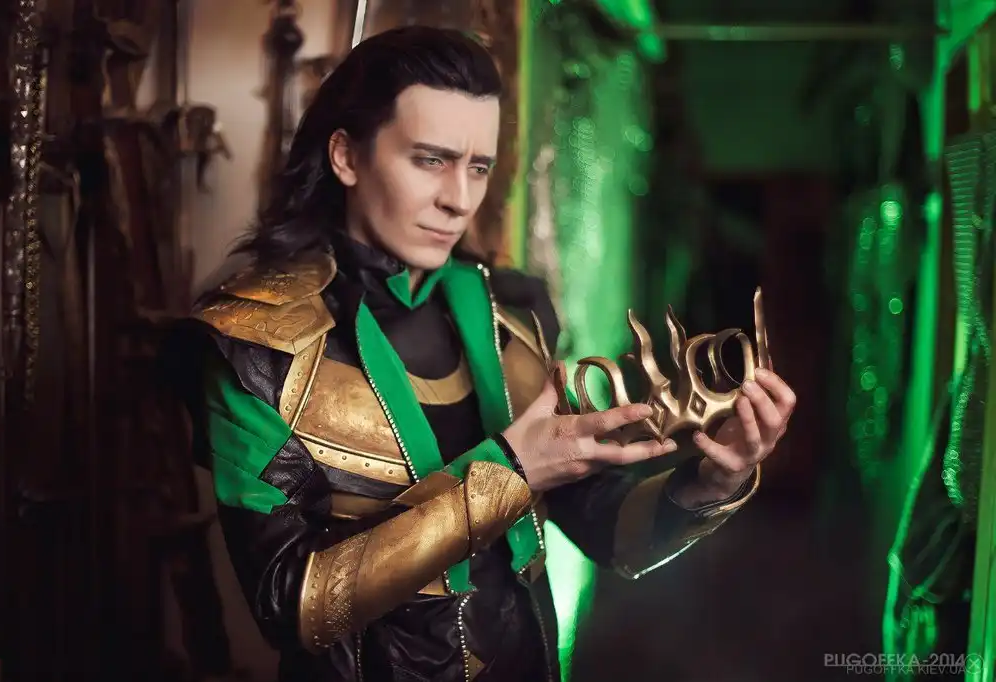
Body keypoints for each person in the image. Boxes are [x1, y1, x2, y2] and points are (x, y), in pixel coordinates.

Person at [171, 26, 797, 682]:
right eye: (430, 160)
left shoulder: (511, 315)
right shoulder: (256, 344)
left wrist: (710, 483)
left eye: (478, 167)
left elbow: (603, 526)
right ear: (347, 156)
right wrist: (510, 471)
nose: (460, 200)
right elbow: (287, 605)